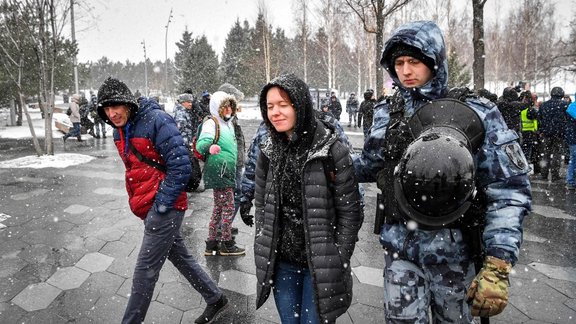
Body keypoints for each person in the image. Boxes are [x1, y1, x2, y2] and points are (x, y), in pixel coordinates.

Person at [353, 21, 531, 323]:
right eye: (398, 63)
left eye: (414, 61)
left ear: (434, 61)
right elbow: (370, 165)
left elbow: (509, 188)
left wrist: (498, 263)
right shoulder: (388, 113)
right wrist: (328, 159)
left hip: (456, 254)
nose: (405, 70)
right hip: (401, 253)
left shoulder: (476, 112)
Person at [95, 77, 227, 324]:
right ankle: (216, 298)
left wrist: (162, 204)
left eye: (116, 106)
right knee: (181, 257)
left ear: (128, 103)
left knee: (144, 272)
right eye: (106, 108)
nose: (112, 113)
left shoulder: (156, 120)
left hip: (166, 207)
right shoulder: (119, 131)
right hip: (148, 206)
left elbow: (180, 167)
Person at [252, 73, 363, 323]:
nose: (275, 113)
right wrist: (263, 239)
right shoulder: (268, 149)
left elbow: (349, 212)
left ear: (300, 105)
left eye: (283, 104)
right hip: (283, 263)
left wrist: (339, 256)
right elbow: (262, 204)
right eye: (270, 107)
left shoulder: (331, 149)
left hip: (320, 266)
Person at [196, 90, 245, 256]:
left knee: (218, 208)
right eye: (225, 107)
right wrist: (209, 147)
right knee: (228, 208)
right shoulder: (212, 123)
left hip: (225, 170)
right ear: (218, 107)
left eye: (230, 107)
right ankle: (226, 243)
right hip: (220, 171)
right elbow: (201, 144)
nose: (229, 110)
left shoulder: (227, 124)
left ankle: (211, 243)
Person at [217, 83, 248, 229]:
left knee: (228, 196)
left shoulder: (228, 115)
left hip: (233, 162)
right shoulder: (224, 117)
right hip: (230, 163)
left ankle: (223, 225)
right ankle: (223, 227)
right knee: (234, 195)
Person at [538, 86, 568, 181]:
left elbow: (540, 119)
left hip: (547, 133)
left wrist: (541, 130)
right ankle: (555, 175)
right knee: (557, 154)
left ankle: (544, 174)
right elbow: (567, 119)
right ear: (562, 94)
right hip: (559, 133)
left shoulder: (544, 105)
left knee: (546, 153)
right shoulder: (565, 105)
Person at [565, 99, 576, 190]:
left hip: (572, 137)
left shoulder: (571, 107)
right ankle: (570, 180)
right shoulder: (572, 108)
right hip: (573, 138)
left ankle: (570, 181)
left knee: (573, 159)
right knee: (574, 159)